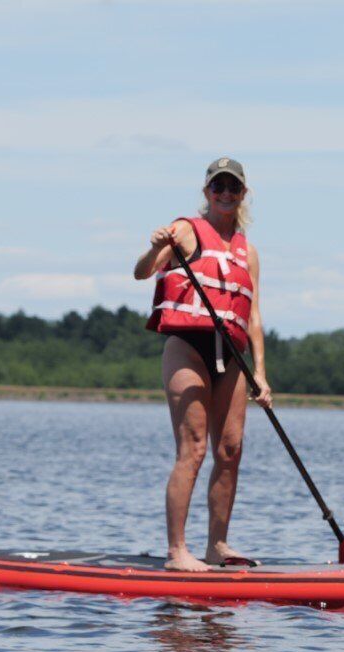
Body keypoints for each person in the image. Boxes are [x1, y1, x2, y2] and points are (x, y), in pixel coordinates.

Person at [132, 157, 272, 572]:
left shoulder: (249, 251)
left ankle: (218, 546)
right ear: (207, 191)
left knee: (230, 451)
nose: (225, 193)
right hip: (188, 349)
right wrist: (157, 247)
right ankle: (177, 552)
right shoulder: (185, 231)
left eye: (233, 187)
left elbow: (254, 316)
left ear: (243, 193)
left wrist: (260, 372)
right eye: (218, 186)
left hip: (231, 354)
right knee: (192, 449)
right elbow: (141, 273)